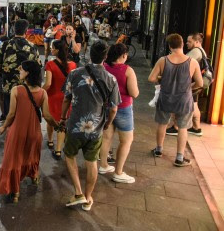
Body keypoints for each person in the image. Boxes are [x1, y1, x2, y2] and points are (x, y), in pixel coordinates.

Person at [59, 41, 119, 211]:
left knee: (69, 155)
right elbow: (114, 108)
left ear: (89, 54)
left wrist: (63, 118)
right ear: (105, 57)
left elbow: (66, 99)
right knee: (92, 162)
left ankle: (78, 192)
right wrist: (106, 123)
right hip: (96, 128)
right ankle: (88, 197)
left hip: (75, 125)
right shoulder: (111, 79)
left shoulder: (75, 73)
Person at [0, 61, 55, 203]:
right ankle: (34, 176)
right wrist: (57, 125)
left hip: (17, 132)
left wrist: (3, 127)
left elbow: (11, 115)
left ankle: (15, 192)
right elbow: (47, 116)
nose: (19, 71)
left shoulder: (16, 90)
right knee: (31, 156)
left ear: (28, 73)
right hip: (34, 133)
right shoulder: (43, 93)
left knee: (14, 161)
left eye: (21, 69)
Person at [148, 34, 203, 167]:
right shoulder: (192, 62)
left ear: (169, 46)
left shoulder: (163, 60)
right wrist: (189, 87)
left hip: (166, 97)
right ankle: (179, 157)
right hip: (184, 99)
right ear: (182, 44)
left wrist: (164, 79)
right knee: (183, 127)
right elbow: (200, 83)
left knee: (162, 123)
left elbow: (151, 78)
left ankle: (159, 150)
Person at [100, 43, 139, 183]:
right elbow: (134, 93)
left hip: (105, 107)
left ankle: (103, 165)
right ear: (123, 55)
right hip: (123, 108)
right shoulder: (127, 70)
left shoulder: (104, 67)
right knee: (126, 140)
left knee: (106, 138)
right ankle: (118, 172)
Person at [0, 19, 40, 123]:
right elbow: (37, 68)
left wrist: (6, 69)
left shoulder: (5, 45)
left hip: (8, 87)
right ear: (26, 30)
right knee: (24, 118)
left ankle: (11, 136)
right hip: (26, 88)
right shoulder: (32, 47)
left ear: (14, 30)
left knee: (10, 116)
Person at [166, 33, 205, 137]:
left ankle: (176, 127)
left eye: (189, 41)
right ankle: (196, 128)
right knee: (194, 104)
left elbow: (183, 63)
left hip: (192, 83)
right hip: (197, 82)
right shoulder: (201, 51)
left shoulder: (195, 52)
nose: (186, 43)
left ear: (197, 42)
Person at [43, 40, 76, 160]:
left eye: (52, 48)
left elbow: (48, 84)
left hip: (53, 96)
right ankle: (58, 150)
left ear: (57, 50)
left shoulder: (50, 65)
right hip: (66, 98)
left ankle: (50, 141)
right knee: (62, 123)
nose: (51, 50)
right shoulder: (73, 65)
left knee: (51, 121)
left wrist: (40, 92)